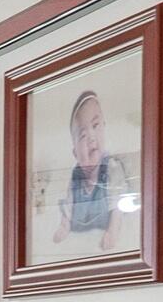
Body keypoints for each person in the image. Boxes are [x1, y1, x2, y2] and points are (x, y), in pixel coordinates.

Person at [50, 89, 132, 253]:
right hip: (82, 224)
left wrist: (112, 231)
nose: (91, 137)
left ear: (104, 129)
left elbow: (117, 203)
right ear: (75, 153)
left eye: (96, 126)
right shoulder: (76, 177)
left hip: (105, 223)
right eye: (82, 135)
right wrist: (64, 225)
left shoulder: (111, 167)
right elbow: (69, 204)